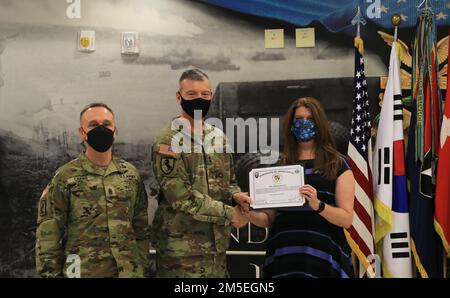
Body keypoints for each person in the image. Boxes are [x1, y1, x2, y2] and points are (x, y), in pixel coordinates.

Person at [151, 69, 251, 278]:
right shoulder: (167, 141)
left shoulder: (218, 137)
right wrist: (229, 213)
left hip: (217, 247)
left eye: (205, 95)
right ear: (179, 97)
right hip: (182, 253)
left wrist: (236, 195)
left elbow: (229, 180)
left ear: (211, 97)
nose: (199, 99)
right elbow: (181, 198)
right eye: (192, 94)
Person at [35, 103, 150, 278]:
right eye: (94, 125)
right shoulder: (65, 177)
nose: (101, 129)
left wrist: (140, 264)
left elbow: (140, 226)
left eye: (106, 124)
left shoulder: (130, 174)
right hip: (83, 272)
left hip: (129, 271)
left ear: (115, 130)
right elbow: (48, 234)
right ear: (82, 132)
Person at [248, 97, 355, 278]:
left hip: (323, 255)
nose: (304, 123)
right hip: (284, 256)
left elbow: (346, 219)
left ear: (320, 123)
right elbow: (269, 218)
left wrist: (318, 205)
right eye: (299, 119)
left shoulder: (338, 164)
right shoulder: (280, 165)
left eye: (310, 119)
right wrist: (248, 214)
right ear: (291, 125)